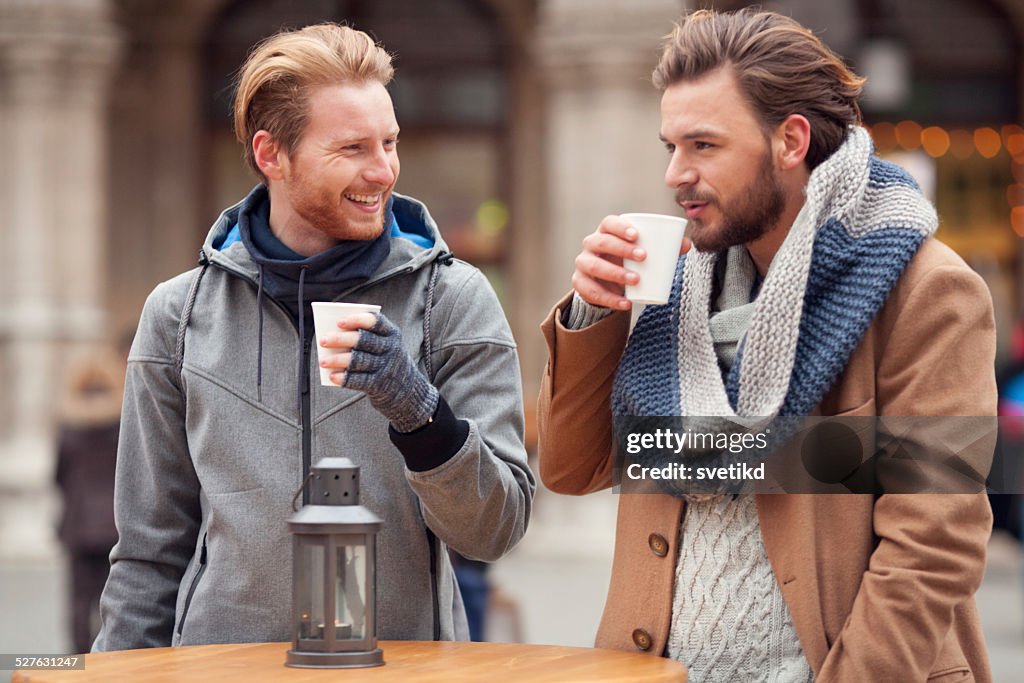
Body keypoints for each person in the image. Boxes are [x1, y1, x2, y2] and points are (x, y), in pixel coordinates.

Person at [538, 9, 995, 682]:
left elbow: (934, 543)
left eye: (703, 146)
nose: (675, 173)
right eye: (671, 145)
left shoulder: (926, 291)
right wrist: (595, 314)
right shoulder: (677, 285)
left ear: (790, 140)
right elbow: (570, 470)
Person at [94, 23, 533, 650]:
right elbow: (147, 554)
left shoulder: (451, 300)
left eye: (390, 142)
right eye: (353, 148)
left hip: (397, 670)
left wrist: (417, 412)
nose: (383, 171)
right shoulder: (178, 314)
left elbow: (495, 530)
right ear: (272, 154)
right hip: (221, 669)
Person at [55, 335, 130, 653]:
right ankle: (109, 657)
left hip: (78, 525)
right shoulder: (121, 423)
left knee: (78, 600)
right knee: (113, 597)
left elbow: (57, 476)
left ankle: (77, 661)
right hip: (114, 523)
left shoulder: (69, 427)